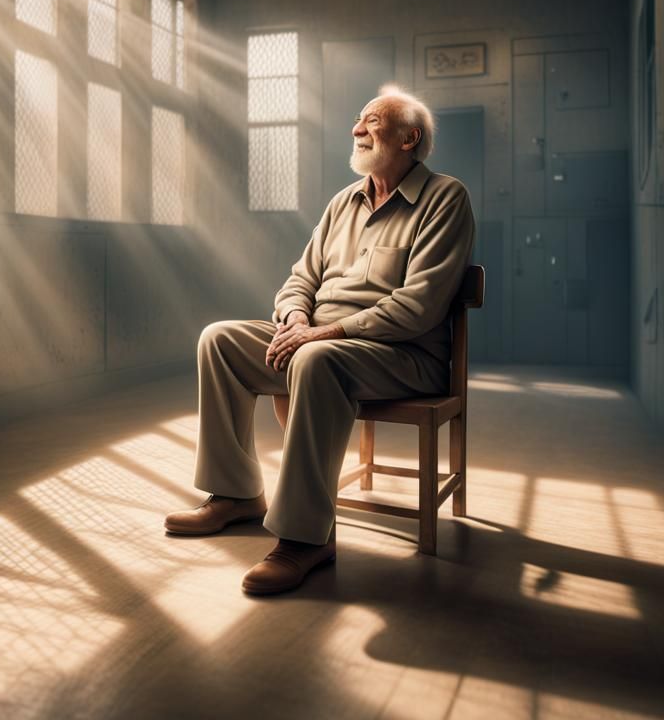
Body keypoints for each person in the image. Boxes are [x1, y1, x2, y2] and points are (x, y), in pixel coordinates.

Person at [165, 85, 475, 595]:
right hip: (318, 341)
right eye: (358, 118)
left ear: (408, 138)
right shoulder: (342, 203)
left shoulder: (446, 198)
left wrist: (319, 334)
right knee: (219, 340)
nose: (357, 128)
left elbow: (418, 307)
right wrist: (292, 319)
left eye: (372, 121)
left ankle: (306, 539)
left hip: (404, 355)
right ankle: (236, 493)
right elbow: (299, 280)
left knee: (315, 359)